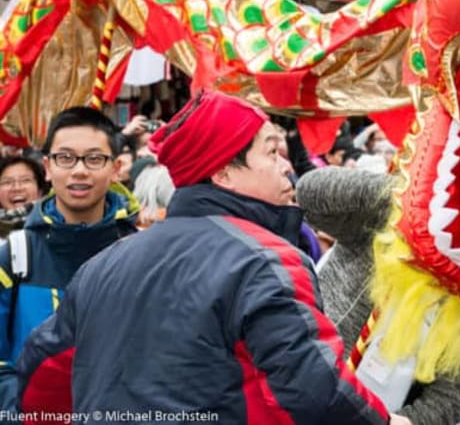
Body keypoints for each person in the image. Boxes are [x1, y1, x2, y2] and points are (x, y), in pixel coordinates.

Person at [15, 91, 402, 424]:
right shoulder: (265, 259)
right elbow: (315, 390)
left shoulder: (101, 266)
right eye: (270, 151)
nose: (287, 165)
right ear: (223, 172)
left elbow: (39, 375)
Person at [297, 166, 460, 424]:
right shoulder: (385, 214)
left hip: (372, 412)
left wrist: (399, 421)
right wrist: (404, 194)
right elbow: (309, 195)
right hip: (296, 386)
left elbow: (453, 397)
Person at [0, 107, 139, 409]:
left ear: (115, 168)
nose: (79, 170)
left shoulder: (143, 255)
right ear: (48, 167)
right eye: (66, 158)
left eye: (93, 158)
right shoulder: (14, 256)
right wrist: (26, 411)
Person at [0, 157, 47, 237]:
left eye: (25, 180)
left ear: (40, 191)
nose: (17, 188)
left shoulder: (54, 224)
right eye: (7, 182)